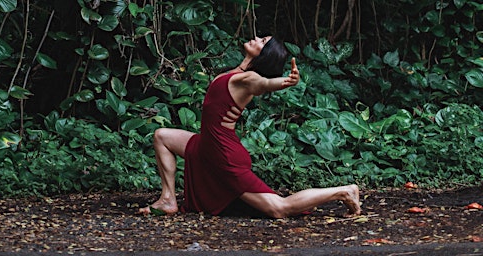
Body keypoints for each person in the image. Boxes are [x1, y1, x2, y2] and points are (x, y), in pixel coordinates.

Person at [138, 36, 361, 218]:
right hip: (208, 145)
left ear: (264, 55)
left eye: (262, 41)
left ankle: (343, 192)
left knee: (278, 208)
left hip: (223, 154)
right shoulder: (235, 73)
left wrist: (285, 82)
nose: (256, 38)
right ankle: (168, 199)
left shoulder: (248, 79)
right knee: (162, 136)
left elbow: (264, 84)